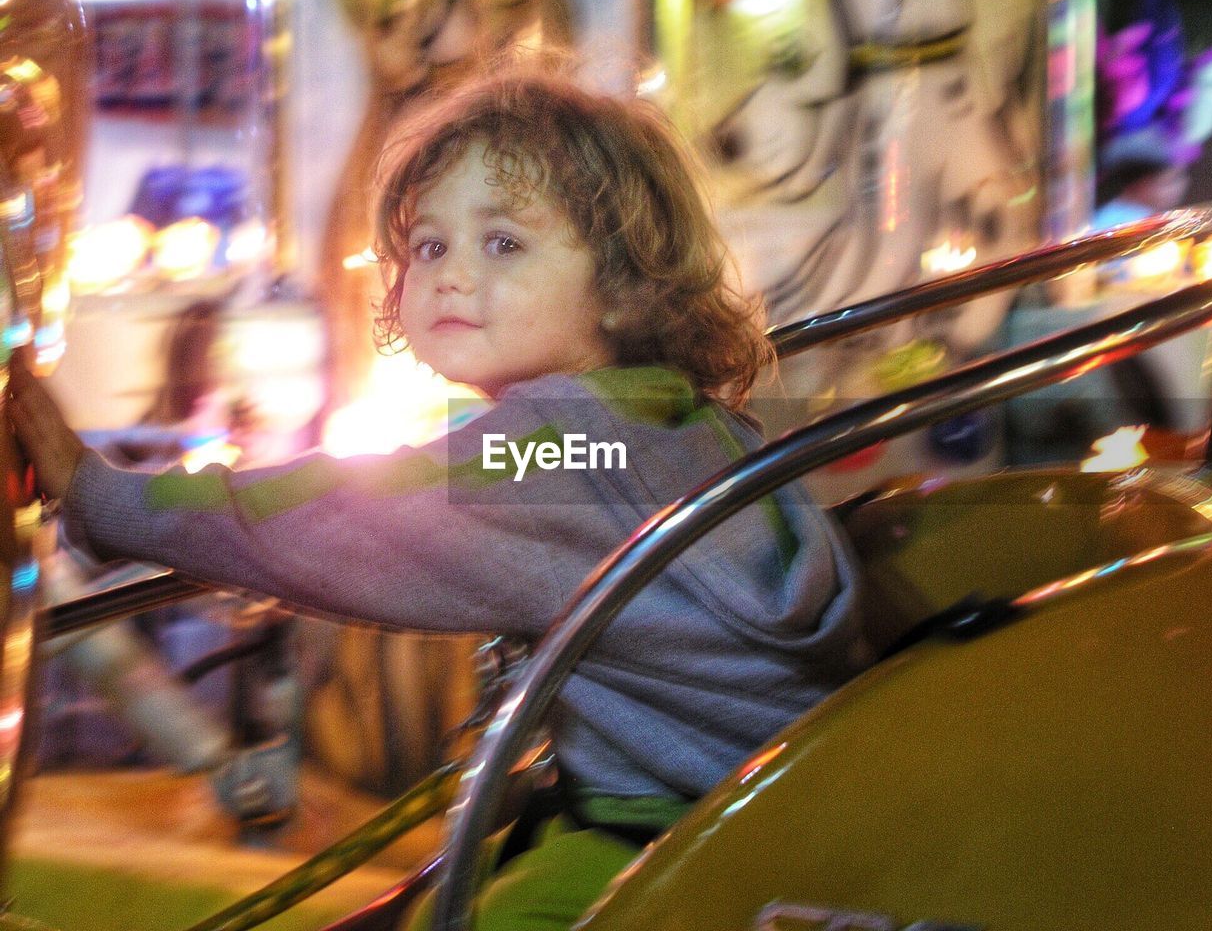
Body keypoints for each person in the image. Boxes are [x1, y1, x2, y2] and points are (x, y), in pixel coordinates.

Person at [8, 68, 870, 930]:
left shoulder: (558, 447)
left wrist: (100, 497)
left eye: (503, 244)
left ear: (623, 283)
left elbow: (336, 519)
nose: (452, 275)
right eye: (429, 246)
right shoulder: (675, 420)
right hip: (772, 801)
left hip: (689, 828)